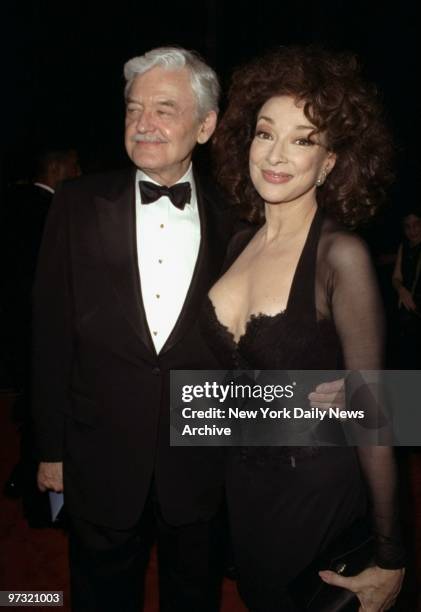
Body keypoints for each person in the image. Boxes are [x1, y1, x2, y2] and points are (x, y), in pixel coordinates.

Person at [200, 46, 406, 611]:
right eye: (266, 133)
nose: (277, 154)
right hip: (242, 493)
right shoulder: (238, 244)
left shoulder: (342, 256)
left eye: (303, 139)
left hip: (315, 493)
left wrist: (391, 557)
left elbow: (376, 413)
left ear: (332, 160)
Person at [31, 47, 233, 612]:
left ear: (206, 125)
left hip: (200, 464)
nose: (143, 123)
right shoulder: (75, 204)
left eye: (164, 108)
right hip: (99, 457)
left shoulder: (238, 220)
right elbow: (49, 337)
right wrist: (50, 450)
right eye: (133, 108)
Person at [2, 148, 81, 523]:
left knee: (31, 406)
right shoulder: (55, 211)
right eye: (73, 165)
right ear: (55, 168)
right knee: (45, 407)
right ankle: (42, 501)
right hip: (39, 327)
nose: (78, 171)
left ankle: (25, 481)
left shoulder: (12, 203)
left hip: (14, 326)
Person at [392, 208, 421, 368]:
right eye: (407, 226)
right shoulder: (404, 246)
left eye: (417, 224)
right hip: (408, 312)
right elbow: (396, 277)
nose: (412, 230)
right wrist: (402, 290)